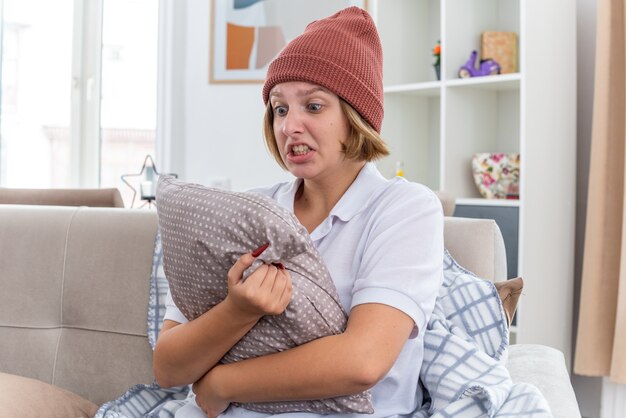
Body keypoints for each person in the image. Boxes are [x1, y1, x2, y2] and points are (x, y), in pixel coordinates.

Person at [153, 6, 443, 418]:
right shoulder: (250, 211)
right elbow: (168, 368)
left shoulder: (404, 209)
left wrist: (222, 383)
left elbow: (362, 361)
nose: (289, 127)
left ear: (355, 117)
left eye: (314, 106)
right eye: (280, 108)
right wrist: (238, 311)